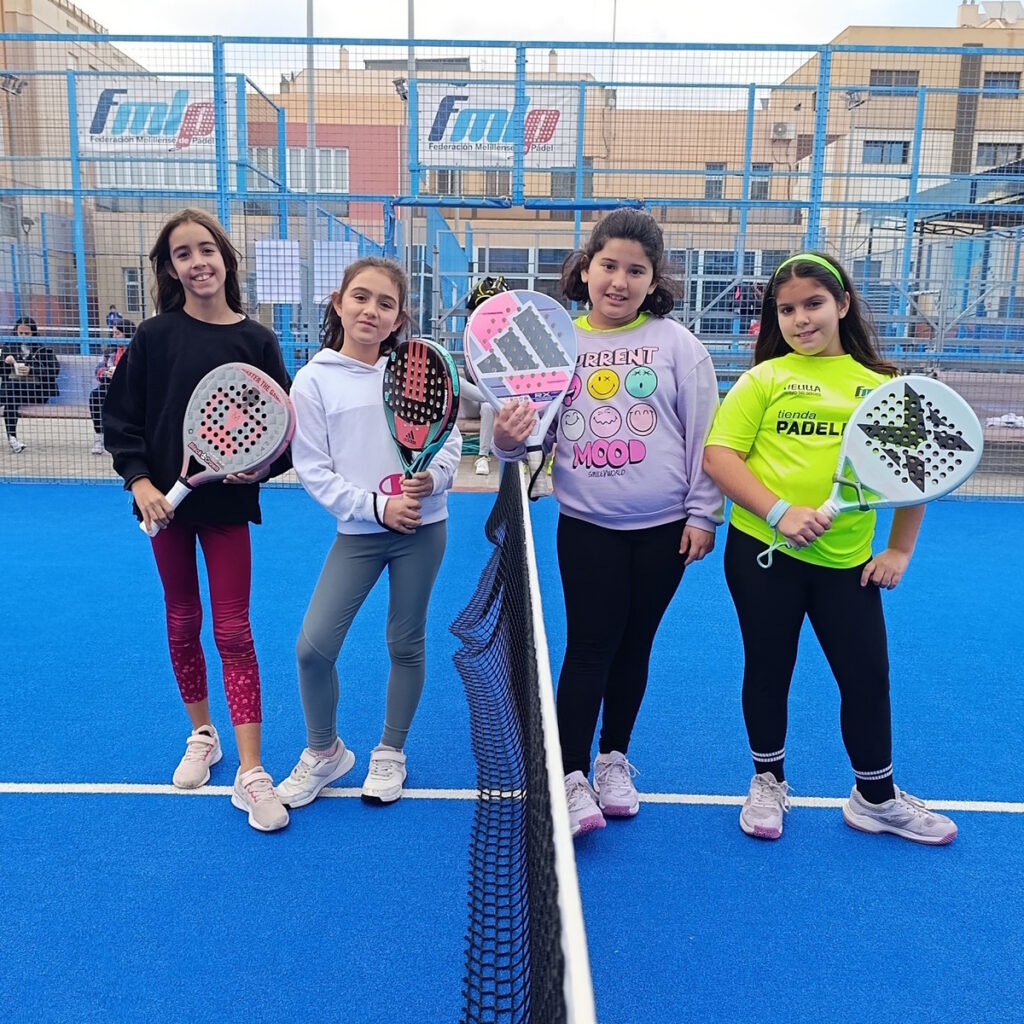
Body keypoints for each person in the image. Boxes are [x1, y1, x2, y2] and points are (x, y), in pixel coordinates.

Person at [702, 251, 957, 845]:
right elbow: (720, 457)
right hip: (763, 555)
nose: (800, 319)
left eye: (813, 304)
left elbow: (915, 472)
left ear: (842, 305)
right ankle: (768, 781)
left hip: (847, 564)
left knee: (866, 678)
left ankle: (875, 797)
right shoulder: (764, 380)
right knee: (769, 670)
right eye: (786, 309)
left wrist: (898, 552)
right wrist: (779, 512)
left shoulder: (882, 387)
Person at [492, 208, 723, 839]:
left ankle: (613, 758)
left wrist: (705, 514)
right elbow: (524, 441)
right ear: (586, 268)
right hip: (587, 527)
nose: (619, 281)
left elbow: (707, 435)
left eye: (636, 271)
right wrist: (508, 441)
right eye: (609, 266)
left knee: (634, 645)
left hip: (665, 530)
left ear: (655, 281)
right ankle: (569, 778)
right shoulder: (553, 342)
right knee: (590, 646)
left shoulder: (679, 345)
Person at [102, 208, 292, 832]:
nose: (198, 262)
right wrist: (141, 482)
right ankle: (202, 734)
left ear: (226, 259)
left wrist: (258, 471)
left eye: (206, 249)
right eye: (183, 254)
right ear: (171, 268)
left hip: (227, 511)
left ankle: (252, 769)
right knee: (183, 621)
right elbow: (121, 420)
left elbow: (282, 433)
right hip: (163, 509)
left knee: (234, 630)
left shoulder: (257, 341)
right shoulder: (154, 337)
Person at [275, 257, 461, 810]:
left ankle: (390, 751)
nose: (371, 311)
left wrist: (435, 478)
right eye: (360, 297)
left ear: (399, 316)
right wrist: (378, 507)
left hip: (423, 531)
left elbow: (449, 436)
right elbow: (314, 470)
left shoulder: (416, 369)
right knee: (313, 649)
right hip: (359, 531)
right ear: (338, 302)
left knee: (405, 643)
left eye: (385, 303)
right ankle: (325, 752)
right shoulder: (313, 380)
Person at [0, 316, 60, 453]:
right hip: (14, 392)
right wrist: (4, 362)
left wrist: (32, 370)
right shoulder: (9, 347)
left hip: (37, 390)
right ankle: (13, 439)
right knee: (11, 399)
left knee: (11, 388)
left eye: (27, 333)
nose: (23, 336)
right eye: (20, 333)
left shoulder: (43, 349)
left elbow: (54, 370)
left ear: (33, 332)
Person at [89, 317, 134, 455]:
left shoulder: (136, 348)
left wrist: (121, 372)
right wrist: (106, 373)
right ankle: (100, 437)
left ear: (127, 333)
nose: (114, 336)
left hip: (131, 386)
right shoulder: (110, 350)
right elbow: (98, 369)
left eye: (117, 333)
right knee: (95, 396)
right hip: (110, 384)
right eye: (113, 333)